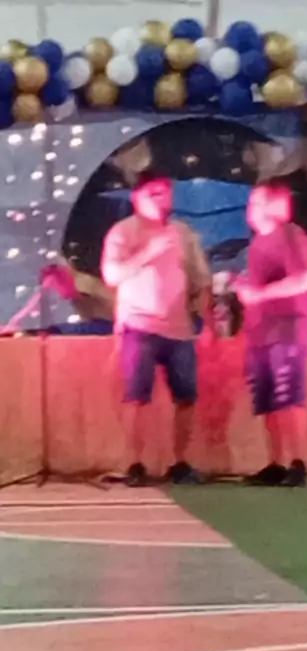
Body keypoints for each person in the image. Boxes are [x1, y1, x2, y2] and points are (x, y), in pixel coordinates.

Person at [101, 175, 211, 486]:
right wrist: (148, 252)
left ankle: (180, 462)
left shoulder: (182, 232)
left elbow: (201, 278)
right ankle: (134, 464)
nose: (163, 199)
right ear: (137, 197)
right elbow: (111, 275)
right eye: (155, 193)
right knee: (136, 397)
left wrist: (206, 321)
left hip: (179, 329)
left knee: (186, 397)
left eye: (167, 193)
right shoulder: (123, 232)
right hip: (139, 326)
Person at [235, 181, 307, 487]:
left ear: (274, 205)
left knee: (288, 394)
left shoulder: (290, 235)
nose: (250, 209)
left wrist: (259, 294)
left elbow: (305, 279)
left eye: (256, 202)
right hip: (261, 331)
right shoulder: (258, 243)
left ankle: (298, 461)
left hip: (287, 328)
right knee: (268, 399)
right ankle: (276, 461)